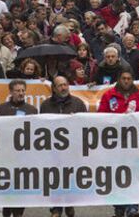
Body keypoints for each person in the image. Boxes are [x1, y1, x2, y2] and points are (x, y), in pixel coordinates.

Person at [98, 69, 139, 217]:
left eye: (129, 78)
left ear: (132, 79)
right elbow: (101, 117)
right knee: (117, 176)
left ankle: (132, 207)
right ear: (119, 79)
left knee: (133, 174)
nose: (126, 81)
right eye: (124, 78)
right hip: (115, 142)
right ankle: (119, 207)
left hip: (134, 142)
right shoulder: (109, 95)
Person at [40, 76, 87, 217]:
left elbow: (85, 126)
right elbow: (41, 126)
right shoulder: (46, 105)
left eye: (65, 84)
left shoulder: (78, 103)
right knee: (54, 178)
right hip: (53, 149)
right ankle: (56, 208)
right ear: (54, 88)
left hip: (72, 149)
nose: (63, 88)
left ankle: (69, 203)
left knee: (70, 178)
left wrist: (76, 120)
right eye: (60, 85)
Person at [0, 79, 38, 217]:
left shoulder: (32, 110)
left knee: (21, 187)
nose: (21, 93)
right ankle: (6, 212)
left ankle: (19, 213)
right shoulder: (1, 109)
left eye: (23, 90)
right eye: (17, 91)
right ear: (11, 92)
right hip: (6, 155)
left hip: (24, 156)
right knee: (7, 186)